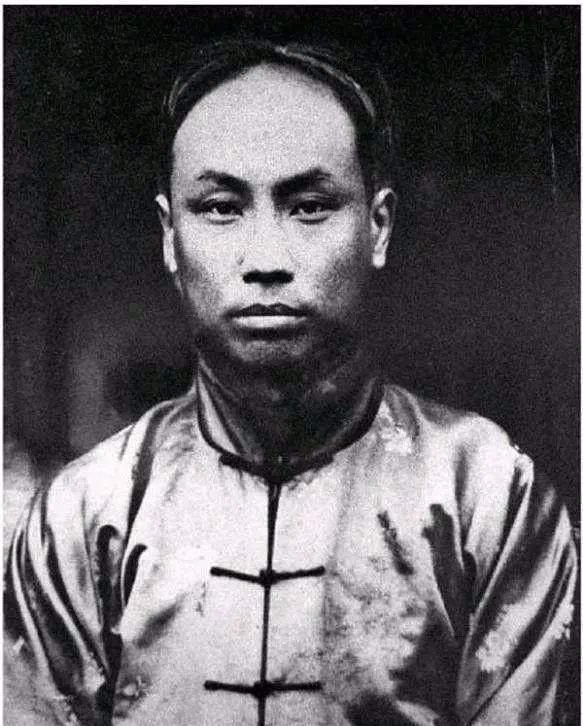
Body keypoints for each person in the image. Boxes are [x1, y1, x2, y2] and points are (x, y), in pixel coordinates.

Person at [4, 39, 576, 726]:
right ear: (169, 235)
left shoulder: (484, 495)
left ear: (378, 227)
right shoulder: (84, 517)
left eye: (308, 206)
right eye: (221, 207)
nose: (266, 258)